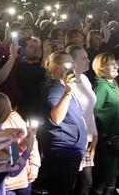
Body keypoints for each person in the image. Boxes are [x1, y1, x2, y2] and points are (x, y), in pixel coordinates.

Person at [36, 51, 88, 195]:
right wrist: (68, 92)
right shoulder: (53, 87)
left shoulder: (63, 86)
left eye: (72, 62)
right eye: (66, 63)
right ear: (55, 66)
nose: (71, 66)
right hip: (62, 148)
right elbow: (56, 117)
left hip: (71, 147)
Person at [92, 52, 119, 195]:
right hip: (106, 141)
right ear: (101, 68)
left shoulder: (112, 83)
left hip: (117, 139)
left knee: (113, 177)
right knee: (104, 177)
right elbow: (93, 113)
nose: (116, 66)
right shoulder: (101, 86)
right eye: (111, 64)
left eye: (116, 63)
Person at [65, 45, 98, 195]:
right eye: (83, 58)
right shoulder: (66, 83)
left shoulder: (85, 79)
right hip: (74, 139)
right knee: (72, 184)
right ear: (72, 61)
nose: (88, 60)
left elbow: (90, 111)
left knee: (86, 183)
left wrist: (94, 135)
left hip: (88, 137)